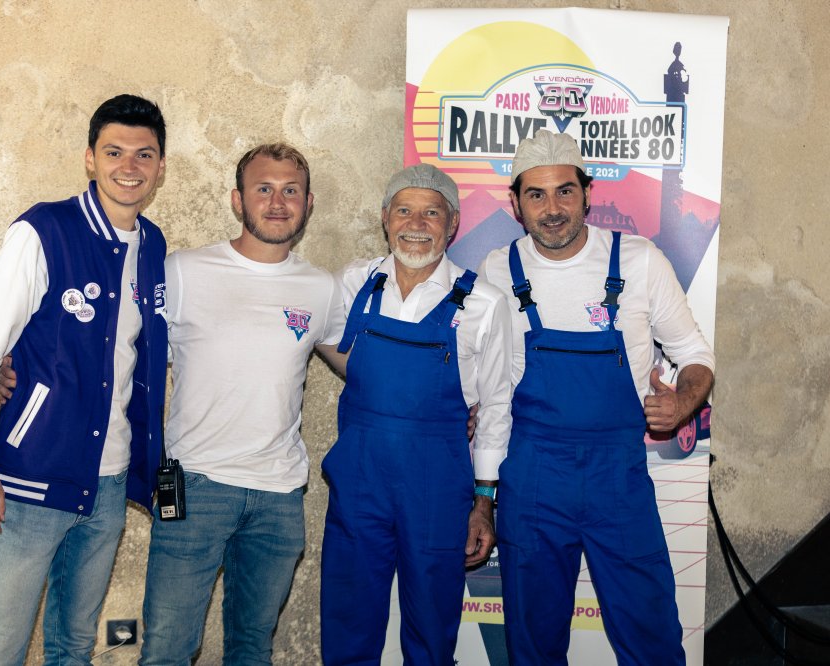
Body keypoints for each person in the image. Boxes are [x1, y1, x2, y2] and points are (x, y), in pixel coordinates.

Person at [0, 94, 169, 665]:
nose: (129, 166)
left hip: (109, 483)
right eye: (114, 152)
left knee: (74, 645)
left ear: (161, 167)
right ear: (90, 158)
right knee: (2, 645)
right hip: (31, 480)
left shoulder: (153, 245)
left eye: (144, 154)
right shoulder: (44, 230)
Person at [479, 129, 714, 664]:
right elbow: (481, 373)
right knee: (533, 644)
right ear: (515, 204)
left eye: (565, 191)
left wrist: (683, 403)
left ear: (588, 193)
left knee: (651, 637)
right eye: (536, 195)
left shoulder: (638, 260)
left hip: (618, 480)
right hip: (532, 478)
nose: (552, 209)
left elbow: (695, 354)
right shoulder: (496, 270)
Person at [138, 143, 346, 665]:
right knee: (167, 650)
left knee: (252, 649)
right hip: (195, 485)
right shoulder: (183, 271)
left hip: (279, 495)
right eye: (263, 189)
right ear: (238, 200)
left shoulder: (321, 289)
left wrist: (452, 399)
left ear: (308, 203)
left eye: (290, 190)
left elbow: (362, 367)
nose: (277, 202)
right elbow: (122, 347)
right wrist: (22, 363)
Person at [320, 164, 514, 665]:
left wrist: (484, 501)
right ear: (385, 218)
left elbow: (496, 407)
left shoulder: (484, 303)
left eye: (432, 213)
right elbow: (317, 334)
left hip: (437, 490)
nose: (416, 224)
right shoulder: (353, 283)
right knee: (347, 621)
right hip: (359, 483)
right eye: (404, 210)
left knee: (432, 628)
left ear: (453, 224)